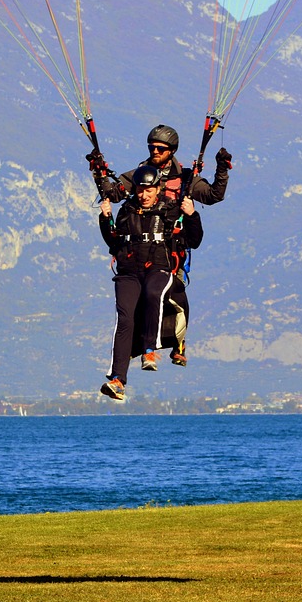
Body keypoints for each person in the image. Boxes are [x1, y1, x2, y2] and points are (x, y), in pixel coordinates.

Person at [107, 123, 232, 366]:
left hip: (171, 248)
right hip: (140, 251)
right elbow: (114, 193)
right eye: (151, 147)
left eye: (160, 148)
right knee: (139, 304)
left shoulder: (185, 179)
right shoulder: (139, 175)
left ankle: (177, 340)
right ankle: (145, 349)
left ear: (171, 151)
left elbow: (213, 195)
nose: (154, 151)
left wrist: (222, 170)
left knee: (168, 293)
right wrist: (99, 174)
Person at [98, 165, 203, 402]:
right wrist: (105, 219)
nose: (144, 195)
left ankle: (149, 350)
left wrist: (191, 215)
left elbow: (193, 240)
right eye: (140, 190)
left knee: (152, 293)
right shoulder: (126, 210)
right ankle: (117, 380)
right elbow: (113, 243)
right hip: (129, 272)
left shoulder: (169, 210)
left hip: (159, 268)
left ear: (157, 189)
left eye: (148, 190)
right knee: (124, 318)